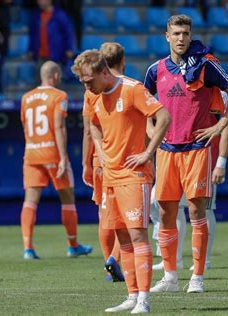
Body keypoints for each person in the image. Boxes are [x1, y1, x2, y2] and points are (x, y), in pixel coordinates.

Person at [144, 14, 228, 293]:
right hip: (166, 151)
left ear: (191, 36)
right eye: (176, 33)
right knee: (165, 212)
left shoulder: (205, 65)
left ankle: (197, 278)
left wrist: (223, 123)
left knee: (196, 210)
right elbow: (143, 106)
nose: (181, 38)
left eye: (186, 33)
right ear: (167, 36)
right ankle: (170, 277)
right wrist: (151, 130)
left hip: (197, 149)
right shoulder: (155, 70)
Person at [72, 50, 171, 313]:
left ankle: (144, 301)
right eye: (83, 82)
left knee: (138, 235)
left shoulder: (132, 89)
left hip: (134, 174)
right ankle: (131, 295)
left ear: (105, 72)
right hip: (110, 175)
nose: (86, 86)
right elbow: (93, 124)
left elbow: (164, 117)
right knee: (123, 236)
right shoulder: (92, 95)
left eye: (89, 80)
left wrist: (148, 152)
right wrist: (100, 152)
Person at [150, 91, 228, 271]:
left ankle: (205, 260)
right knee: (170, 206)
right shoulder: (175, 84)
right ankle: (175, 259)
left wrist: (221, 162)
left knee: (204, 209)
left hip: (205, 158)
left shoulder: (218, 92)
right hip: (176, 155)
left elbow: (227, 127)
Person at [20, 60, 92, 260]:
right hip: (52, 152)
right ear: (57, 77)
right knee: (67, 198)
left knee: (30, 201)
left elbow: (25, 125)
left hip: (32, 153)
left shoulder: (26, 97)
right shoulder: (59, 96)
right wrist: (62, 158)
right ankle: (73, 245)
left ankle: (28, 248)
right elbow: (59, 127)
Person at [81, 42, 129, 282]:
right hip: (124, 159)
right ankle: (115, 259)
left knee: (104, 214)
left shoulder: (90, 91)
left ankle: (107, 265)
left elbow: (88, 130)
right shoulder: (128, 87)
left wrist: (85, 164)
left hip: (99, 159)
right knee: (128, 215)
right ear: (122, 62)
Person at [28, 0, 74, 68]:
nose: (39, 2)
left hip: (56, 55)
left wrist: (69, 48)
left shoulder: (59, 15)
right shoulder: (36, 16)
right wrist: (31, 49)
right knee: (39, 77)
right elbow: (33, 35)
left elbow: (68, 33)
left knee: (56, 77)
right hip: (40, 56)